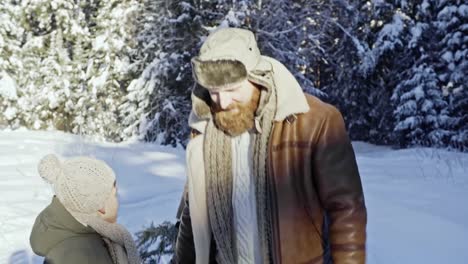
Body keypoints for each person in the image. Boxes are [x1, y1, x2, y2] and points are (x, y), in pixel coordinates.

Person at [174, 28, 367, 264]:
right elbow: (194, 216)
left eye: (232, 90)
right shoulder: (204, 130)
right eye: (214, 93)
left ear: (256, 76)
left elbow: (346, 209)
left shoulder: (315, 121)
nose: (222, 102)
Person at [30, 154, 141, 264]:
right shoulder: (84, 255)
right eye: (114, 195)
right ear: (101, 205)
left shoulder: (82, 237)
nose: (118, 201)